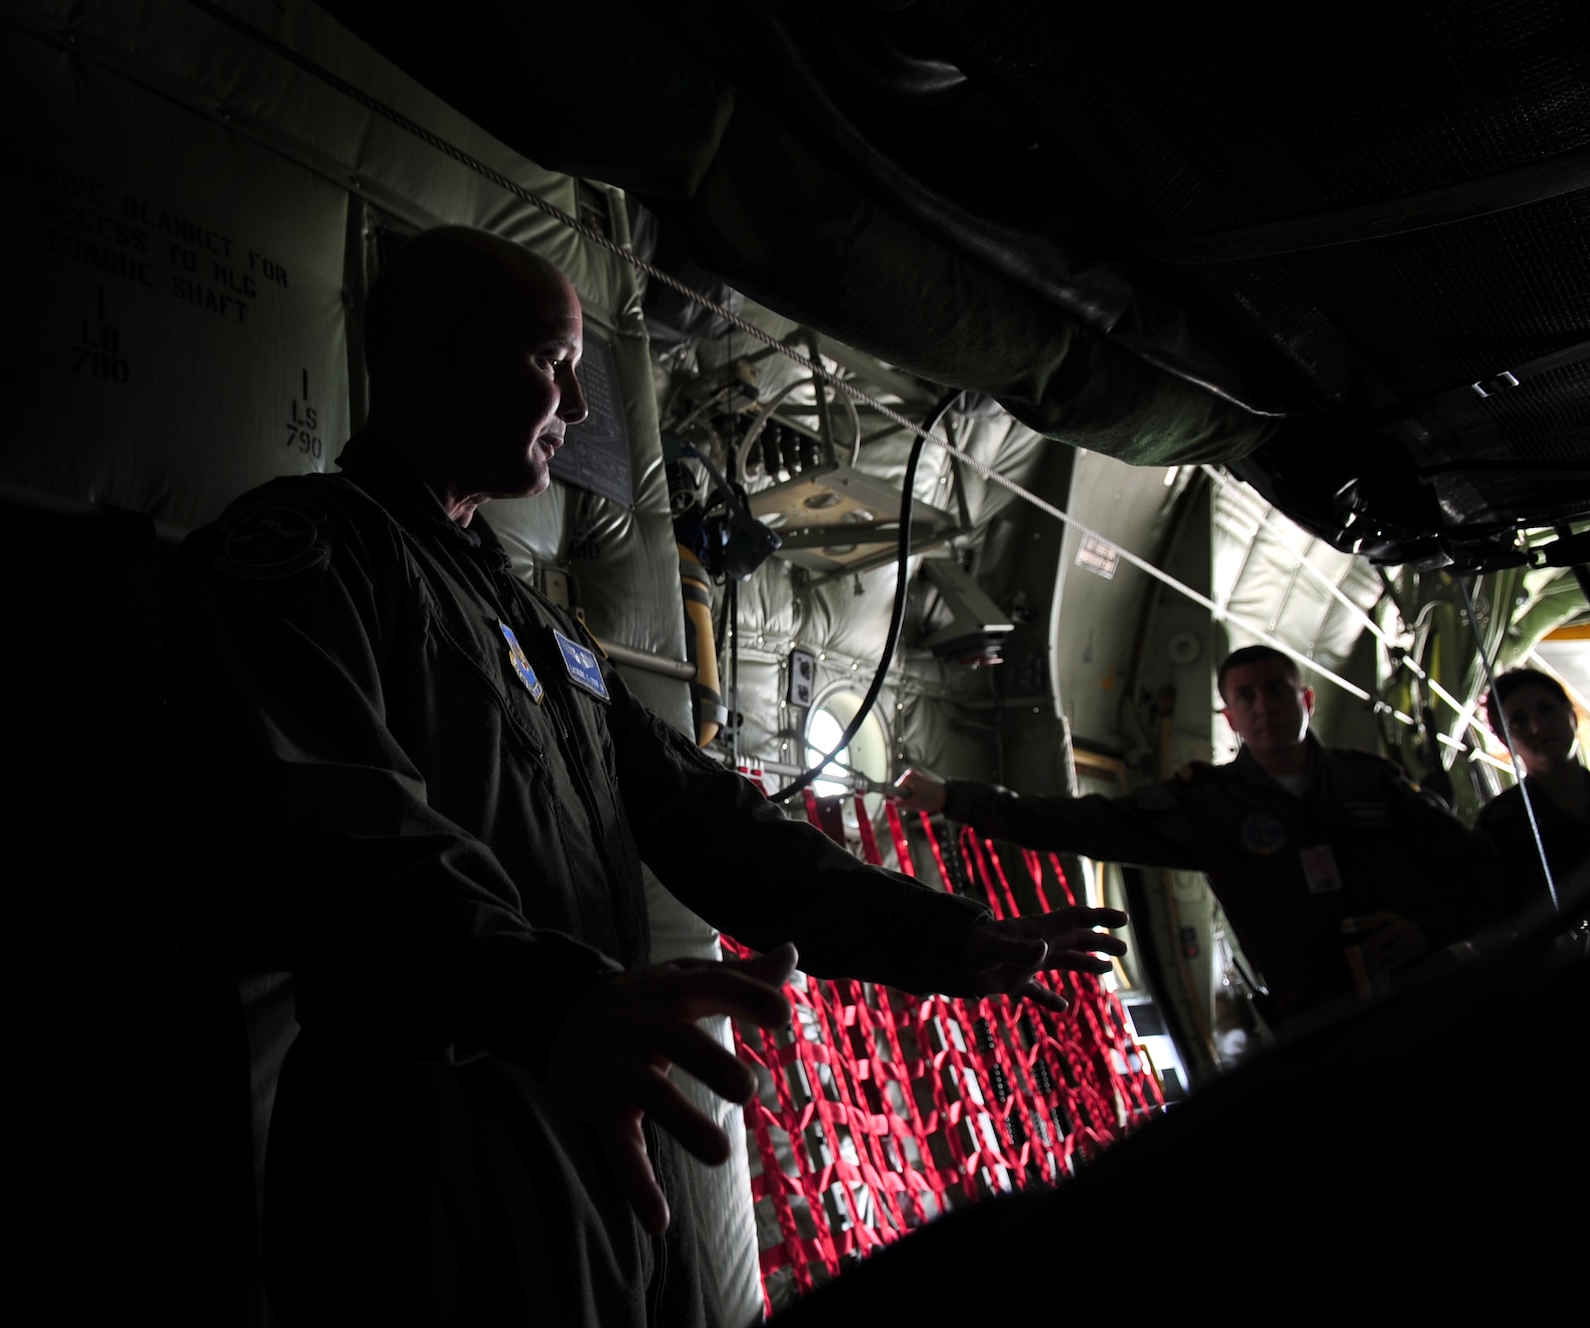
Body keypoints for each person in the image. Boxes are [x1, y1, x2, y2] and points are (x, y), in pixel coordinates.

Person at [169, 226, 1125, 1327]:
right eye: (548, 362)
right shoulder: (307, 552)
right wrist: (544, 997)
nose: (575, 408)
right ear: (436, 353)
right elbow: (332, 825)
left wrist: (947, 935)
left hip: (581, 1110)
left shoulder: (533, 619)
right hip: (417, 1132)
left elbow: (711, 821)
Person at [891, 645, 1493, 1026]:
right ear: (1229, 717)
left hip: (1434, 997)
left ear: (1305, 698)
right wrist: (955, 799)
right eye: (1245, 696)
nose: (1263, 706)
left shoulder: (1374, 783)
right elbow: (1085, 824)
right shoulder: (1210, 805)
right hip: (1317, 1025)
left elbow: (1480, 876)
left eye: (1277, 690)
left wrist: (1425, 929)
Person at [1476, 667, 1590, 917]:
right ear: (1505, 741)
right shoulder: (1499, 823)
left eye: (1546, 709)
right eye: (1519, 721)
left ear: (1572, 715)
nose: (1538, 727)